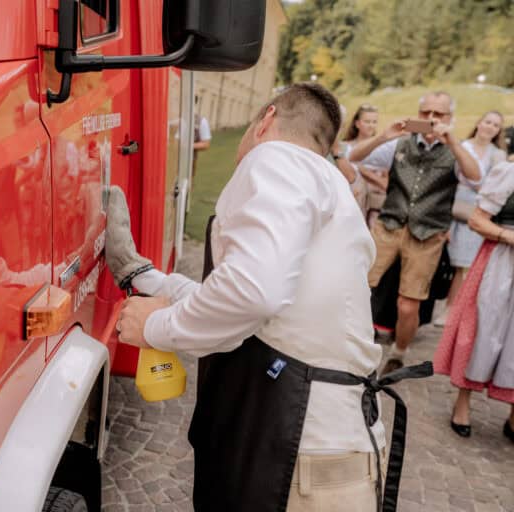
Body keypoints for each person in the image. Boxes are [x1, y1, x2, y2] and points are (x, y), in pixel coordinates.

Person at [105, 83, 431, 512]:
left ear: (267, 119)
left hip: (294, 453)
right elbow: (264, 309)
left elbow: (254, 294)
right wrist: (148, 278)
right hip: (323, 452)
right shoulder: (325, 181)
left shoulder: (277, 157)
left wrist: (155, 327)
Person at [349, 91, 481, 375]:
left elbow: (475, 177)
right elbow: (354, 156)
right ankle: (348, 339)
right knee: (357, 284)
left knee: (408, 305)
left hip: (428, 235)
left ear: (450, 118)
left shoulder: (456, 150)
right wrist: (384, 136)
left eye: (439, 114)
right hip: (389, 225)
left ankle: (399, 352)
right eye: (426, 113)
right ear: (418, 114)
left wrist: (453, 142)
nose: (431, 119)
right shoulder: (400, 142)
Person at [433, 161, 514, 443]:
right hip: (501, 261)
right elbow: (477, 220)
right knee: (482, 330)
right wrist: (508, 235)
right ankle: (462, 403)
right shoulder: (508, 173)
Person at [435, 111, 507, 326]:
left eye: (495, 125)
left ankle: (455, 311)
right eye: (487, 122)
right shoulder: (461, 146)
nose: (490, 127)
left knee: (467, 265)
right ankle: (449, 308)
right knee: (454, 264)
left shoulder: (497, 155)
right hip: (452, 209)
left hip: (477, 212)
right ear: (479, 123)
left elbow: (493, 185)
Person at [343, 104, 389, 226]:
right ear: (357, 124)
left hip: (375, 210)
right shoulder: (345, 147)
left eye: (374, 122)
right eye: (367, 121)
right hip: (350, 206)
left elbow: (387, 184)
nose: (371, 125)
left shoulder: (383, 149)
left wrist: (364, 172)